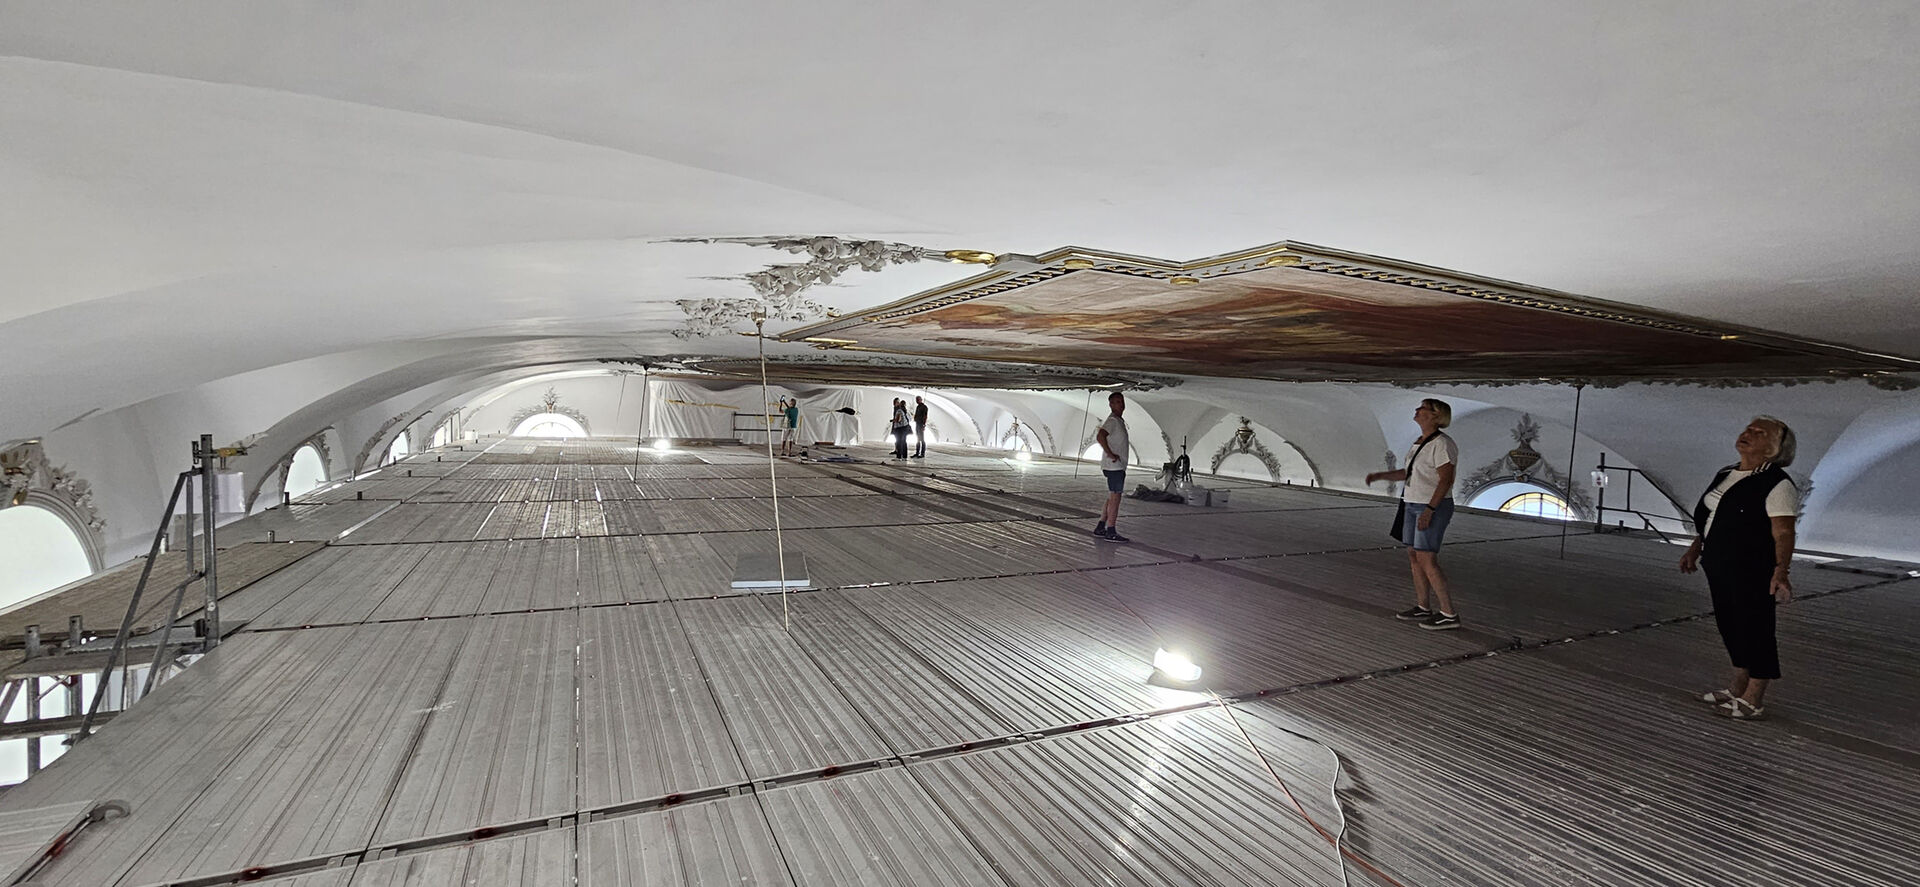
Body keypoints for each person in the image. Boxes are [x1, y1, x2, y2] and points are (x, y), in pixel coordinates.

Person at [1679, 416, 1799, 720]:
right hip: (1719, 563)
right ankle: (1737, 687)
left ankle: (1754, 698)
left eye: (1760, 433)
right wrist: (1696, 547)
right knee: (1730, 625)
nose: (1748, 433)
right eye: (1748, 429)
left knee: (1756, 628)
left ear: (1774, 448)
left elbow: (1783, 532)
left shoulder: (1777, 483)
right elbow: (1712, 516)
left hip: (1753, 567)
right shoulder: (1726, 473)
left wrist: (1781, 571)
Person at [1365, 398, 1462, 630]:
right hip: (1411, 503)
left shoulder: (1442, 444)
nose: (1417, 410)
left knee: (1426, 558)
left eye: (1424, 408)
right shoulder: (1419, 442)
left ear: (1435, 416)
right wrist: (1381, 476)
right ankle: (1423, 606)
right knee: (1414, 555)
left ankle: (1449, 614)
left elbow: (1446, 479)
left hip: (1429, 506)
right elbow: (1408, 473)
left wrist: (1430, 510)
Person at [1093, 391, 1131, 543]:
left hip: (1116, 466)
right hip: (1114, 467)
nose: (1120, 404)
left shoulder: (1118, 421)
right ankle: (1111, 530)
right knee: (1115, 498)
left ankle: (1101, 526)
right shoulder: (1113, 420)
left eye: (1121, 401)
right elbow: (1100, 436)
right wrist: (1110, 453)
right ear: (1111, 404)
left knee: (1112, 497)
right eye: (1116, 402)